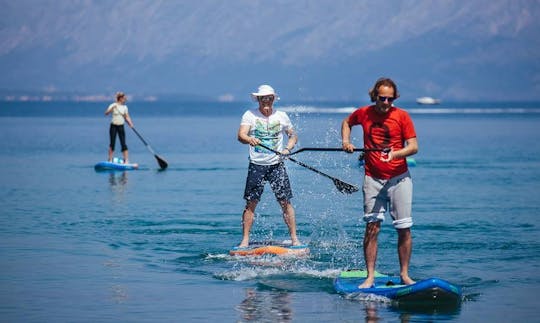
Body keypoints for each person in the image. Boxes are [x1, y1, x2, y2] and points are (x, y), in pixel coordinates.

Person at [341, 77, 418, 288]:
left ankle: (404, 275)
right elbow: (347, 122)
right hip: (372, 177)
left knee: (404, 228)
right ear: (375, 96)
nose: (386, 103)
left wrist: (397, 154)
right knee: (372, 227)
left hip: (399, 178)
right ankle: (370, 277)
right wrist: (346, 142)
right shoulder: (364, 113)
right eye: (382, 98)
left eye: (390, 99)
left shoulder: (402, 116)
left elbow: (413, 147)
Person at [236, 84, 300, 248]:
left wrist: (287, 149)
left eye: (269, 98)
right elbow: (241, 135)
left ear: (273, 99)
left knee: (285, 202)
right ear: (258, 99)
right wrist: (249, 139)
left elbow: (293, 136)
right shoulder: (250, 115)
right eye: (263, 98)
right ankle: (245, 240)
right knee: (251, 203)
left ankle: (294, 238)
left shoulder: (282, 116)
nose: (266, 101)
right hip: (257, 165)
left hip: (276, 165)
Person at [105, 92, 134, 163]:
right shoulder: (113, 105)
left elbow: (127, 117)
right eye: (124, 98)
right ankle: (110, 159)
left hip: (121, 126)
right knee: (112, 143)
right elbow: (106, 113)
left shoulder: (125, 107)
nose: (125, 100)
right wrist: (111, 109)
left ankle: (126, 160)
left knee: (123, 143)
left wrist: (131, 124)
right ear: (120, 98)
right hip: (113, 126)